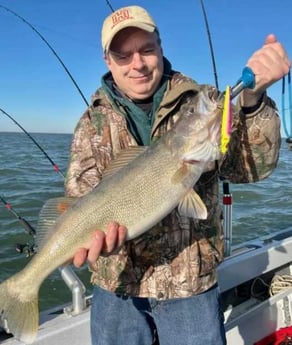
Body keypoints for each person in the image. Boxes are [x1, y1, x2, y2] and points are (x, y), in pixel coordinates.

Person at [64, 5, 290, 345]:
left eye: (146, 50)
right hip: (116, 288)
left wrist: (253, 99)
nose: (137, 64)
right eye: (123, 56)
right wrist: (86, 240)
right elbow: (80, 194)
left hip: (189, 286)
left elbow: (252, 167)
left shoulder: (203, 103)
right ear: (108, 61)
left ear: (161, 47)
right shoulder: (90, 122)